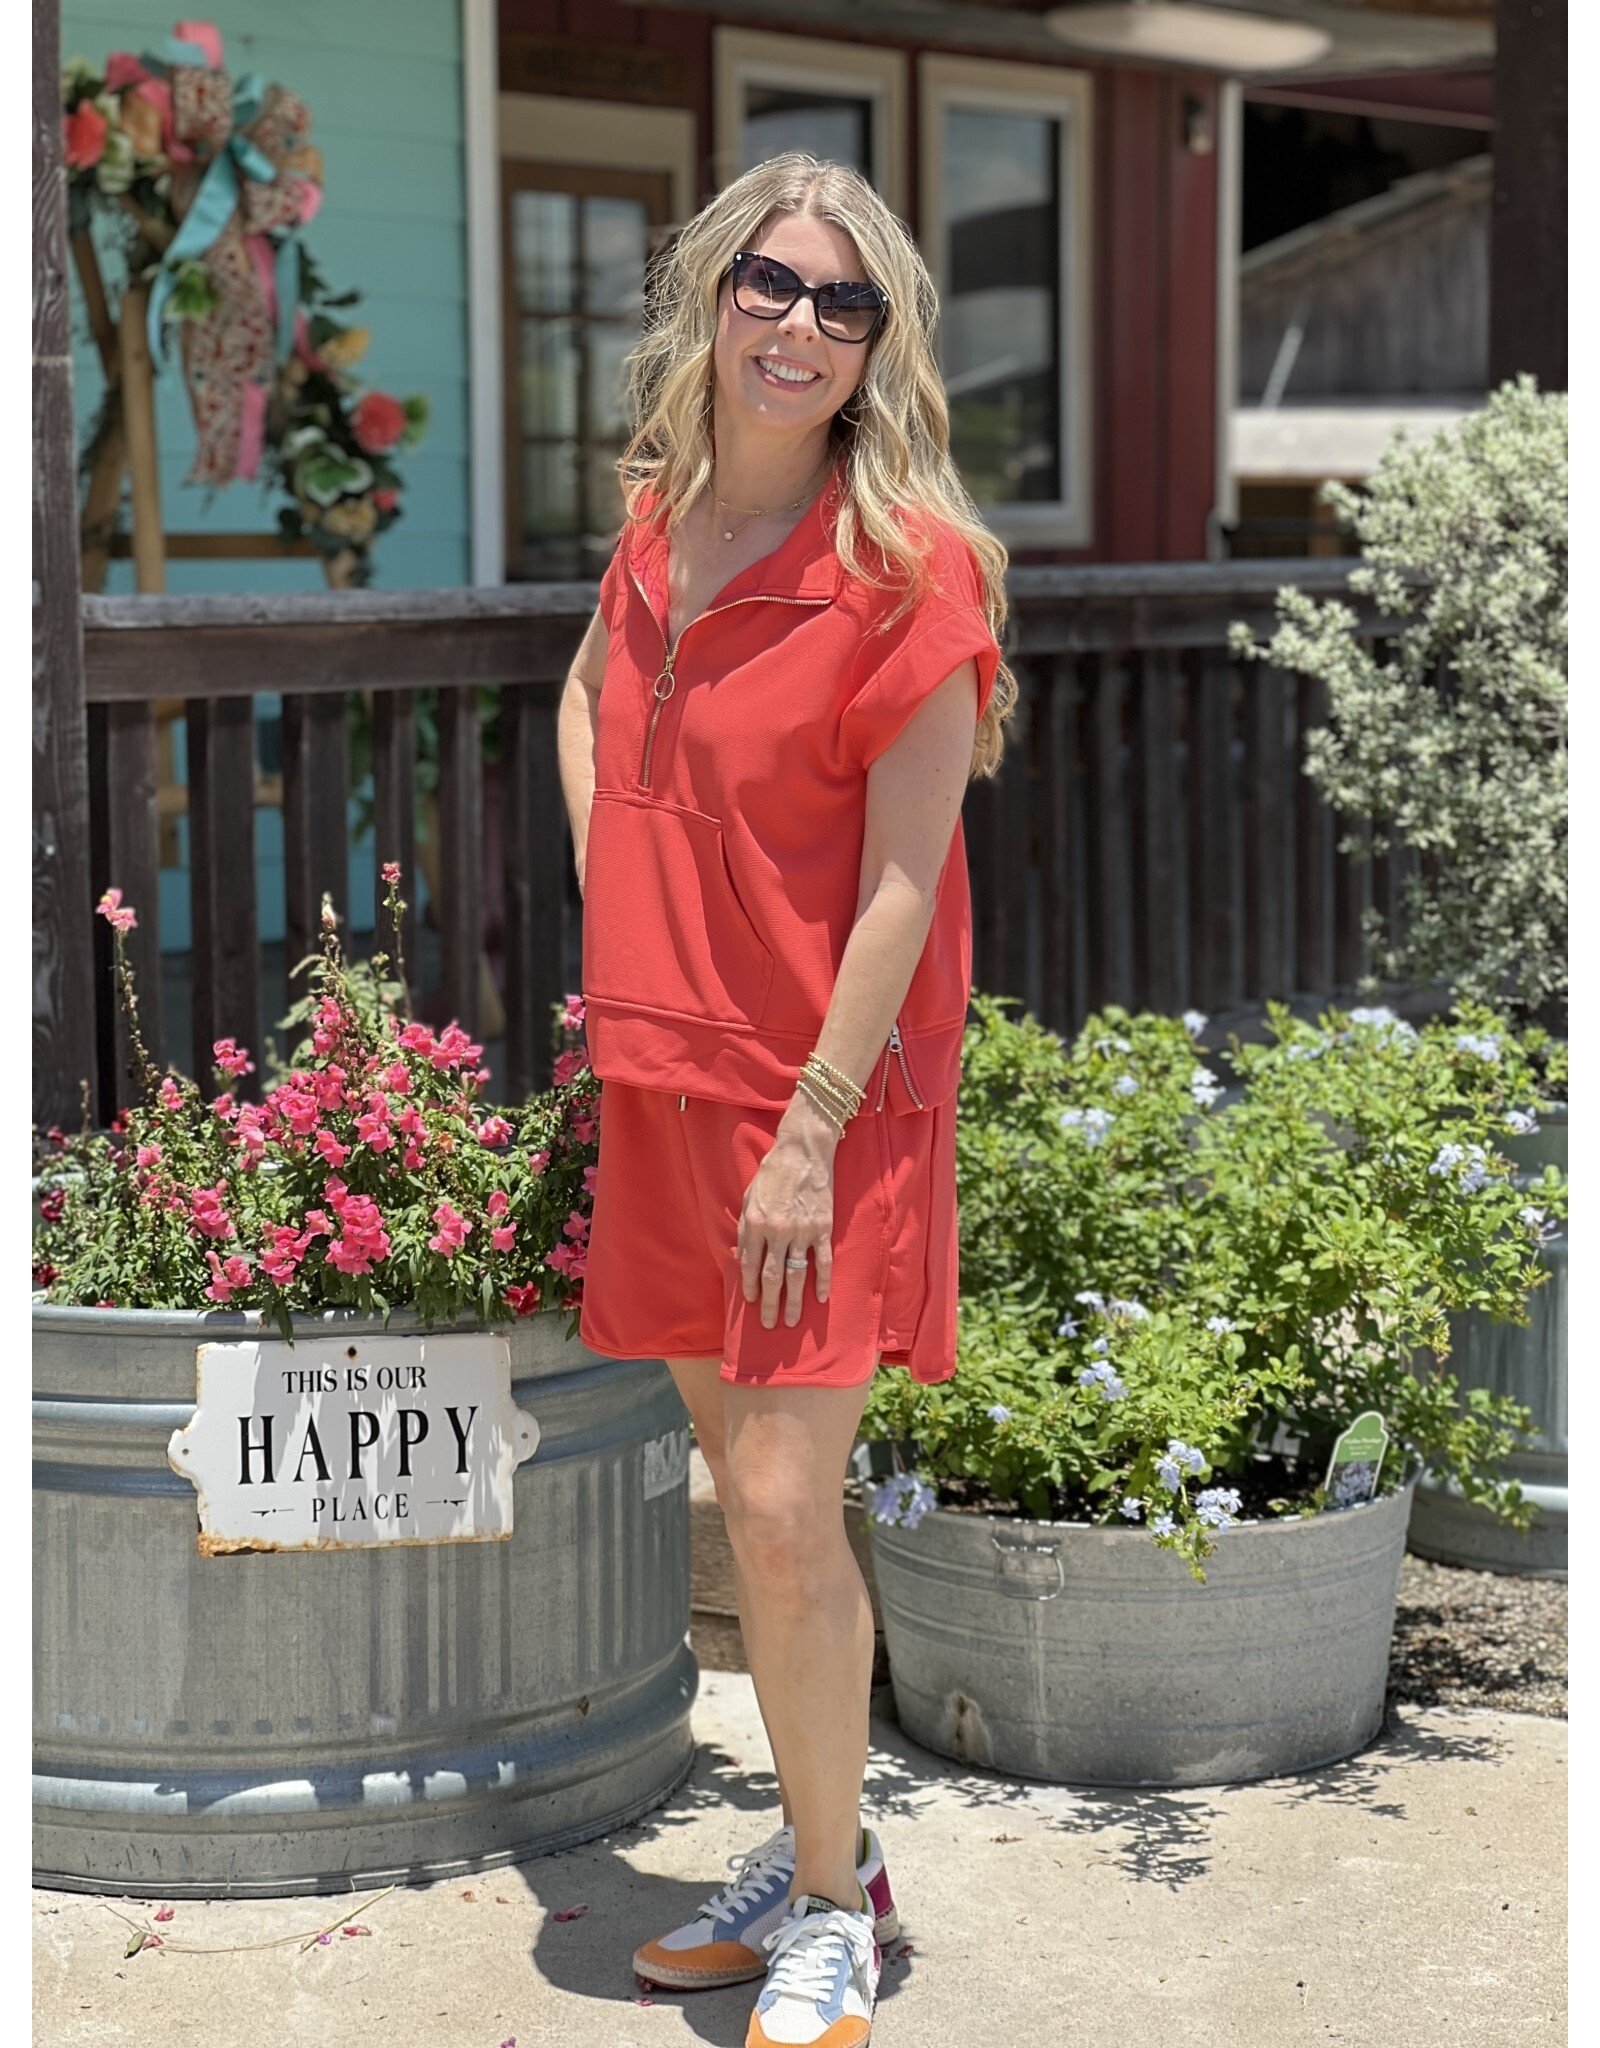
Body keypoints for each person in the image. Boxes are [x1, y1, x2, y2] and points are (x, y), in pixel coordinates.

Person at [556, 151, 1012, 2048]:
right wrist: (627, 907)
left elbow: (907, 881)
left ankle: (832, 1905)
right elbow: (585, 694)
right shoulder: (658, 523)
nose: (802, 327)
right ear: (713, 293)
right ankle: (829, 1853)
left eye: (846, 304)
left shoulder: (908, 567)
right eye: (774, 284)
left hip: (822, 1110)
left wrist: (815, 1132)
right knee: (740, 1508)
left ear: (878, 344)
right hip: (668, 1083)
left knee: (772, 1506)